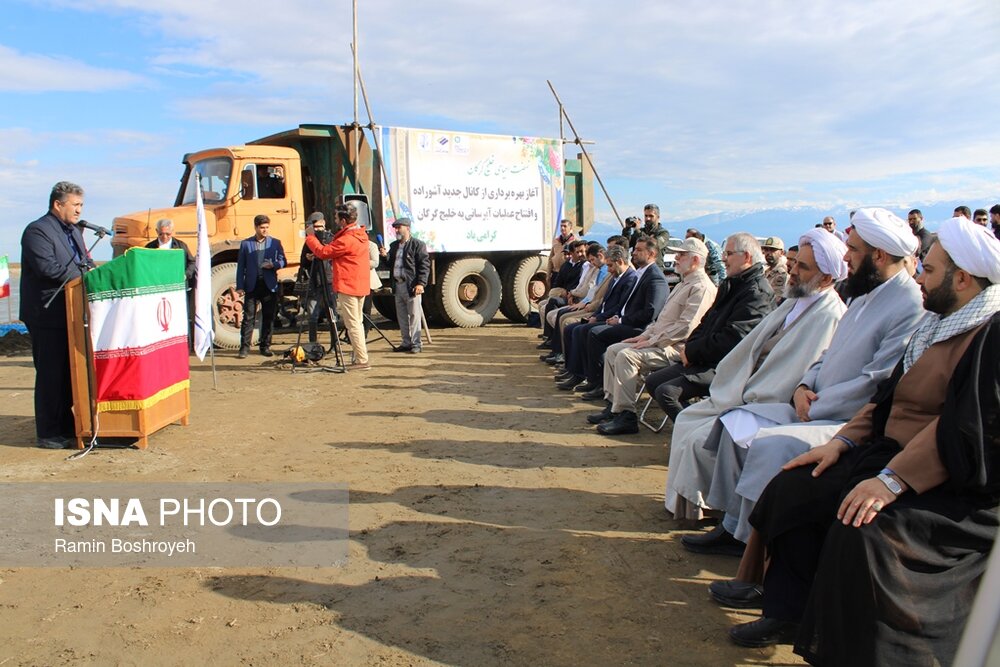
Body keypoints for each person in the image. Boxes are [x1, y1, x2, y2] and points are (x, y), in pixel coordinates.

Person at [730, 217, 1000, 666]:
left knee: (862, 528)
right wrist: (842, 442)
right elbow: (885, 399)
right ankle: (787, 611)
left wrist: (893, 480)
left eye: (929, 271)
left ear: (964, 279)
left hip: (946, 478)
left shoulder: (987, 334)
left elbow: (964, 426)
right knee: (795, 487)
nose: (920, 278)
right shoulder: (940, 323)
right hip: (887, 454)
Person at [705, 208, 925, 602]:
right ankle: (734, 527)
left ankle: (760, 569)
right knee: (733, 420)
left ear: (877, 255)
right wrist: (804, 385)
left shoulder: (907, 305)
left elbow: (876, 381)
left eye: (853, 249)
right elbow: (827, 356)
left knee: (773, 444)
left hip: (844, 418)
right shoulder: (865, 292)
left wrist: (818, 404)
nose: (846, 257)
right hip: (814, 404)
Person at [664, 229, 849, 523]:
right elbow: (752, 348)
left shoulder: (829, 314)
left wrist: (749, 394)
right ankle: (691, 505)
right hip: (748, 387)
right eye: (794, 263)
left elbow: (796, 371)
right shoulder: (794, 301)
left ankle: (723, 514)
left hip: (772, 401)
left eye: (802, 266)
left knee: (702, 437)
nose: (792, 269)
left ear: (826, 278)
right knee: (687, 420)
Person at [644, 233, 774, 427]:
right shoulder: (732, 283)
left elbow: (734, 339)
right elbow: (706, 322)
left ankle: (695, 434)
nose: (723, 258)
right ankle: (695, 426)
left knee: (667, 392)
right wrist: (690, 349)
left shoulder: (757, 293)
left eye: (728, 254)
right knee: (653, 382)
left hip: (729, 365)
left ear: (746, 257)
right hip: (706, 358)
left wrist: (692, 351)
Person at [590, 237, 717, 435]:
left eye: (682, 255)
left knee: (626, 356)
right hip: (660, 341)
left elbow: (686, 328)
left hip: (677, 347)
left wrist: (652, 341)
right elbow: (661, 321)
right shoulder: (685, 283)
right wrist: (644, 337)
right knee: (613, 350)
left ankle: (627, 416)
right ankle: (614, 407)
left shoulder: (701, 287)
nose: (676, 258)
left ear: (695, 260)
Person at [19, 181, 94, 449]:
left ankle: (66, 426)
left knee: (68, 373)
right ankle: (49, 433)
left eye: (81, 205)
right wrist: (83, 276)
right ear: (57, 204)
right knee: (51, 374)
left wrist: (95, 274)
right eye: (75, 205)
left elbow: (84, 260)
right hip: (47, 313)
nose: (79, 210)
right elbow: (47, 268)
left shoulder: (74, 231)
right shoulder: (37, 231)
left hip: (71, 311)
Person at [576, 238, 670, 398]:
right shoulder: (642, 273)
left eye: (639, 250)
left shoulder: (655, 278)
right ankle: (593, 380)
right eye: (635, 249)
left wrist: (620, 320)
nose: (634, 253)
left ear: (652, 254)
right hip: (625, 320)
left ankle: (599, 384)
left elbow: (650, 313)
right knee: (587, 330)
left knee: (595, 334)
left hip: (639, 328)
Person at [306, 203, 371, 370]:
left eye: (336, 218)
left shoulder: (347, 239)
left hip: (348, 284)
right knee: (358, 322)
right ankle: (360, 356)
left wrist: (311, 237)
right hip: (360, 284)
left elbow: (323, 252)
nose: (334, 220)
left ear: (343, 221)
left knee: (353, 324)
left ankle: (362, 360)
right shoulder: (360, 235)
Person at [235, 214, 286, 358]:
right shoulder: (246, 244)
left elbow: (283, 261)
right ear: (256, 227)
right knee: (248, 317)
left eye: (267, 227)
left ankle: (265, 346)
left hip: (269, 285)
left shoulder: (275, 243)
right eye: (262, 227)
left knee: (269, 317)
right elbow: (241, 267)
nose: (265, 230)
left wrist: (274, 265)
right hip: (252, 285)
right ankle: (244, 348)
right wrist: (240, 286)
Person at [145, 218, 197, 347]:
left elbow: (192, 262)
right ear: (157, 232)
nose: (164, 237)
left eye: (168, 234)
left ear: (172, 232)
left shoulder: (180, 246)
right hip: (157, 289)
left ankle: (185, 346)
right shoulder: (150, 247)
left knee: (180, 317)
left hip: (178, 288)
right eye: (161, 234)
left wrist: (186, 275)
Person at [385, 217, 430, 353]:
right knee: (402, 316)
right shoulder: (394, 246)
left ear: (407, 228)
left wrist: (421, 283)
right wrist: (384, 256)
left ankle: (416, 343)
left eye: (399, 227)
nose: (396, 230)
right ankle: (406, 342)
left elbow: (424, 265)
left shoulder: (417, 245)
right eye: (395, 228)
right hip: (398, 285)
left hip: (411, 286)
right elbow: (390, 264)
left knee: (415, 315)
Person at [297, 212, 336, 345]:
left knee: (332, 314)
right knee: (312, 315)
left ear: (324, 223)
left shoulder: (331, 239)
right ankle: (312, 344)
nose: (317, 229)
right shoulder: (309, 242)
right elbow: (302, 262)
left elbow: (332, 256)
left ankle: (334, 343)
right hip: (314, 281)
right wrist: (308, 259)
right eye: (314, 227)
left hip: (328, 280)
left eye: (319, 226)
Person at [628, 204, 671, 270]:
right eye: (646, 216)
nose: (648, 218)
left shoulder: (663, 233)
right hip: (638, 269)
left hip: (653, 269)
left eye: (651, 216)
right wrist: (627, 229)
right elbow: (626, 244)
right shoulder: (640, 231)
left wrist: (638, 231)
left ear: (658, 217)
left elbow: (653, 245)